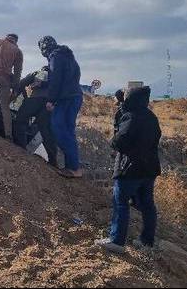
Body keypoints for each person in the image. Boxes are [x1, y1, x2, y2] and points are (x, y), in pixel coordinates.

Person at [95, 86, 161, 254]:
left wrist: (115, 136)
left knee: (121, 203)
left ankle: (116, 241)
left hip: (130, 168)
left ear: (130, 99)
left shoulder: (131, 117)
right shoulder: (151, 117)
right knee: (147, 205)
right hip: (149, 169)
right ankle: (147, 241)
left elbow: (119, 141)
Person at [38, 36, 83, 178]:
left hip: (65, 99)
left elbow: (56, 79)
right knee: (69, 131)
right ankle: (74, 167)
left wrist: (51, 100)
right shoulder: (68, 56)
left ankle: (72, 167)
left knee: (58, 129)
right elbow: (71, 76)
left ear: (44, 48)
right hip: (76, 96)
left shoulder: (55, 56)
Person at [14, 66, 58, 168]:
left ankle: (21, 147)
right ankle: (53, 161)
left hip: (36, 99)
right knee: (45, 130)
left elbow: (22, 83)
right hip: (49, 105)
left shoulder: (38, 73)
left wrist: (21, 96)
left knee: (20, 119)